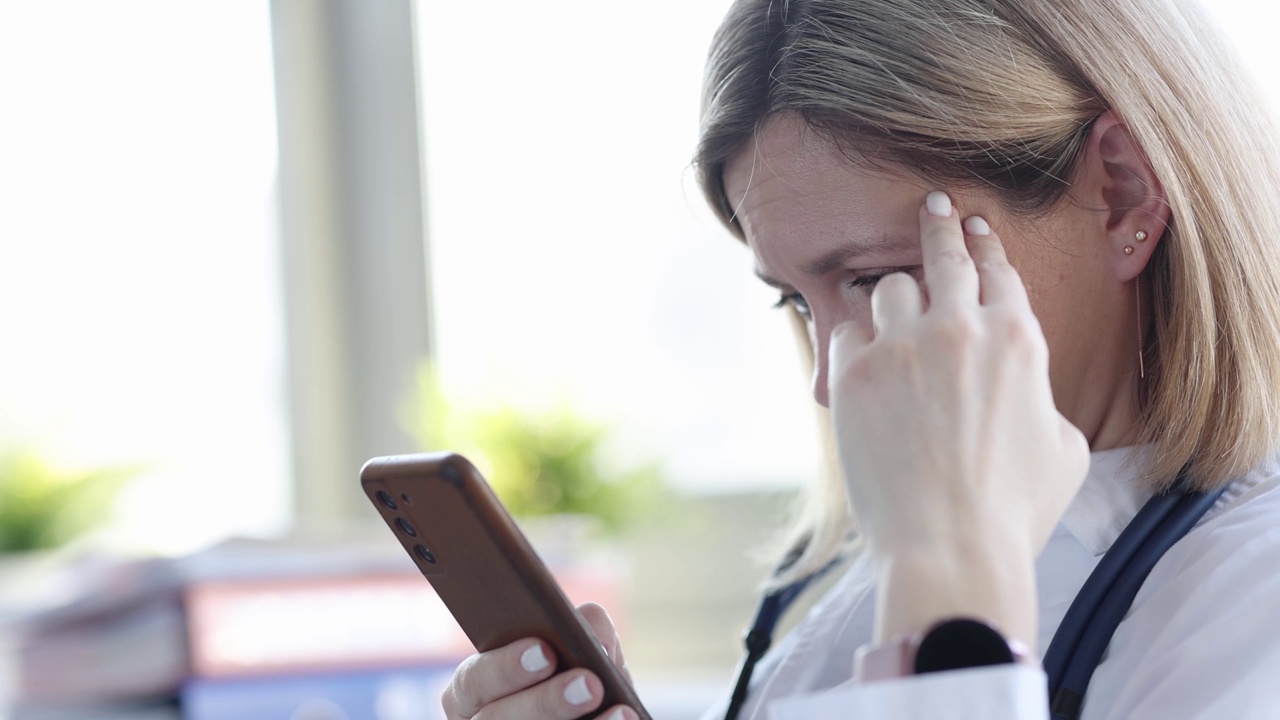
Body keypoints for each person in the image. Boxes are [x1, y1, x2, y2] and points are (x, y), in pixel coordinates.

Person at [440, 0, 1280, 718]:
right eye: (798, 301)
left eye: (879, 280)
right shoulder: (853, 586)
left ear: (1121, 194)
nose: (831, 384)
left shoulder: (1253, 598)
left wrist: (956, 609)